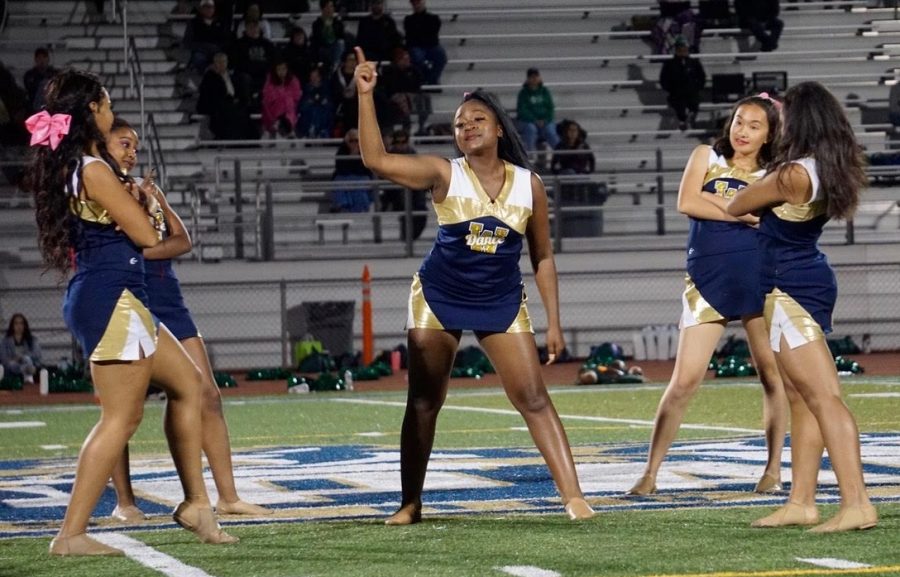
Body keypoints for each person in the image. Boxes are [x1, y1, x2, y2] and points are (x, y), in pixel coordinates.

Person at [353, 47, 594, 524]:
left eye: (477, 119)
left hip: (501, 301)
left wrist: (554, 324)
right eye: (460, 124)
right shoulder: (444, 172)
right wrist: (365, 95)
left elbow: (542, 256)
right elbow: (376, 160)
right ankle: (410, 503)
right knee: (424, 400)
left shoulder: (530, 185)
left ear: (499, 128)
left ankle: (574, 497)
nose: (467, 128)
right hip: (439, 297)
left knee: (533, 398)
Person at [22, 69, 236, 555]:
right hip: (111, 298)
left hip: (119, 298)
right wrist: (142, 202)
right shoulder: (93, 170)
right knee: (121, 418)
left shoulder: (84, 166)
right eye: (105, 103)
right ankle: (71, 534)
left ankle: (196, 504)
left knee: (191, 385)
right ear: (90, 112)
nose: (111, 109)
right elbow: (147, 236)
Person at [103, 117, 271, 524]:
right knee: (122, 409)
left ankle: (227, 497)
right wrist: (142, 244)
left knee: (207, 394)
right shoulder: (101, 188)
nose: (132, 151)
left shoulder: (149, 190)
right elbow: (126, 244)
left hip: (169, 299)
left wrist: (147, 222)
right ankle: (124, 503)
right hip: (126, 298)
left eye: (135, 145)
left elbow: (182, 240)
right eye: (123, 143)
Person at [727, 81, 878, 532]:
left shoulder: (792, 173)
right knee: (801, 397)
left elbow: (737, 204)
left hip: (786, 286)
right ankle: (802, 501)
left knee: (823, 397)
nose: (780, 120)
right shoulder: (823, 167)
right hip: (803, 278)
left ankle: (856, 503)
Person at [626, 94, 788, 497]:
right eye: (738, 121)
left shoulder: (778, 173)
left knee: (772, 376)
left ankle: (772, 470)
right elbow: (686, 201)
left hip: (761, 279)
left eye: (754, 126)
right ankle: (650, 472)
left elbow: (766, 221)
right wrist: (741, 209)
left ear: (769, 135)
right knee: (683, 381)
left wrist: (714, 203)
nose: (743, 131)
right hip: (706, 281)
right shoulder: (705, 156)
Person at [197, 52, 259, 140]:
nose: (222, 64)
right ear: (215, 63)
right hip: (217, 106)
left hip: (232, 103)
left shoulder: (232, 75)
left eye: (224, 61)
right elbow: (210, 95)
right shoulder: (209, 76)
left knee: (245, 111)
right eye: (219, 62)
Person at [382, 128, 428, 241]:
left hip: (413, 191)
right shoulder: (388, 156)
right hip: (393, 191)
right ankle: (406, 237)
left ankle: (410, 237)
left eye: (403, 142)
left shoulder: (413, 155)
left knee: (421, 209)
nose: (401, 145)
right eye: (398, 142)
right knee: (404, 198)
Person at [659, 36, 706, 130]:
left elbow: (701, 77)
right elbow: (663, 79)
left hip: (691, 91)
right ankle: (683, 120)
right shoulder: (670, 64)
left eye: (685, 49)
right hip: (676, 92)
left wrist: (697, 87)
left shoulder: (694, 63)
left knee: (694, 102)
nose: (683, 51)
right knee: (678, 104)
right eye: (680, 49)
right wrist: (671, 89)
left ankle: (690, 116)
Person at [516, 68, 560, 156]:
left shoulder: (545, 92)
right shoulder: (523, 93)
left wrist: (545, 120)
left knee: (550, 131)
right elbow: (522, 110)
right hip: (528, 121)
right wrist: (534, 120)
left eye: (536, 77)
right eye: (531, 77)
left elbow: (550, 108)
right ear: (528, 79)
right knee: (530, 129)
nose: (534, 79)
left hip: (545, 121)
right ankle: (530, 155)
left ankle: (560, 153)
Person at [330, 128, 374, 212]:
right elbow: (341, 169)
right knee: (340, 183)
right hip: (345, 177)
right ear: (347, 141)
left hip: (362, 177)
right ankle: (343, 207)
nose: (354, 143)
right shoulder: (342, 151)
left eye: (356, 140)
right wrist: (351, 156)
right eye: (351, 141)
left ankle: (360, 210)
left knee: (358, 186)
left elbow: (364, 170)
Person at [403, 0, 446, 86]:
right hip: (418, 46)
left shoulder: (433, 18)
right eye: (415, 3)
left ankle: (431, 79)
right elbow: (411, 35)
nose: (417, 5)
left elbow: (432, 33)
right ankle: (428, 79)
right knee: (417, 57)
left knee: (441, 57)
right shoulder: (408, 19)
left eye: (418, 2)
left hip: (431, 45)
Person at [261, 60, 302, 138]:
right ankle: (280, 128)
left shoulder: (293, 81)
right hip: (273, 112)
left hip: (290, 110)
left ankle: (287, 129)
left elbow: (296, 98)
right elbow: (267, 99)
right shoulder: (270, 82)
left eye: (283, 69)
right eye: (279, 69)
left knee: (288, 103)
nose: (281, 72)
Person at [355, 0, 403, 64]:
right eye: (374, 3)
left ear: (382, 5)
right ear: (371, 5)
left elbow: (394, 39)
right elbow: (360, 40)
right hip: (369, 52)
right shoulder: (364, 22)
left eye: (378, 3)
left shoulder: (389, 22)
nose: (376, 6)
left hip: (385, 52)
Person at [1, 314, 43, 384]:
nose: (19, 326)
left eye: (21, 323)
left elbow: (37, 355)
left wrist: (21, 357)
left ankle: (27, 378)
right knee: (12, 364)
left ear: (25, 325)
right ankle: (26, 374)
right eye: (16, 323)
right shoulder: (5, 341)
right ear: (12, 326)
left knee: (27, 358)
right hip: (12, 367)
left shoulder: (32, 340)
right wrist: (16, 360)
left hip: (28, 363)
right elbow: (4, 359)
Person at [297, 65, 335, 138]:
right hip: (309, 117)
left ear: (320, 77)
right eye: (312, 76)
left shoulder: (326, 89)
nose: (314, 79)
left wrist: (324, 103)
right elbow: (301, 107)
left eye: (316, 76)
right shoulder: (306, 89)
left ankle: (322, 132)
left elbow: (330, 105)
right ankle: (310, 132)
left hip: (322, 116)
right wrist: (308, 102)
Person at [310, 0, 346, 74]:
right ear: (323, 9)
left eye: (331, 6)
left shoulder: (338, 23)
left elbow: (341, 37)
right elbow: (317, 40)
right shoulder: (316, 24)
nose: (330, 9)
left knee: (340, 43)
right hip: (322, 49)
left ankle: (336, 66)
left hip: (335, 49)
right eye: (327, 7)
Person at [23, 47, 58, 111]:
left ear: (48, 59)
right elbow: (31, 91)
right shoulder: (29, 75)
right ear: (35, 60)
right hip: (34, 108)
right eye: (39, 58)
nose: (42, 60)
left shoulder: (55, 74)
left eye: (44, 57)